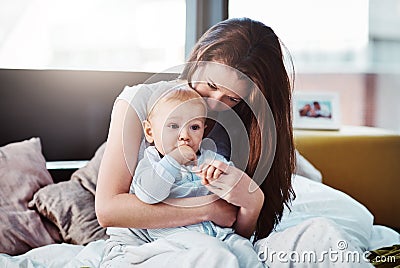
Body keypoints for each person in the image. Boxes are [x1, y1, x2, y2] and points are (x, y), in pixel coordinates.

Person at [96, 17, 371, 267]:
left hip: (224, 242)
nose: (215, 104)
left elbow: (237, 230)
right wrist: (208, 210)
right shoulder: (140, 101)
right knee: (214, 258)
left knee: (323, 237)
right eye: (211, 85)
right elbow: (108, 210)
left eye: (233, 98)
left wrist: (252, 202)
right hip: (146, 248)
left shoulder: (244, 124)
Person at [128, 86, 262, 267]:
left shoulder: (208, 157)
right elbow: (149, 195)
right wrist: (173, 159)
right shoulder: (151, 163)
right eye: (173, 126)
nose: (185, 136)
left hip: (218, 232)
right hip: (176, 236)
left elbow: (232, 183)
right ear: (150, 132)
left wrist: (220, 174)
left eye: (194, 127)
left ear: (203, 132)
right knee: (215, 254)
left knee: (246, 251)